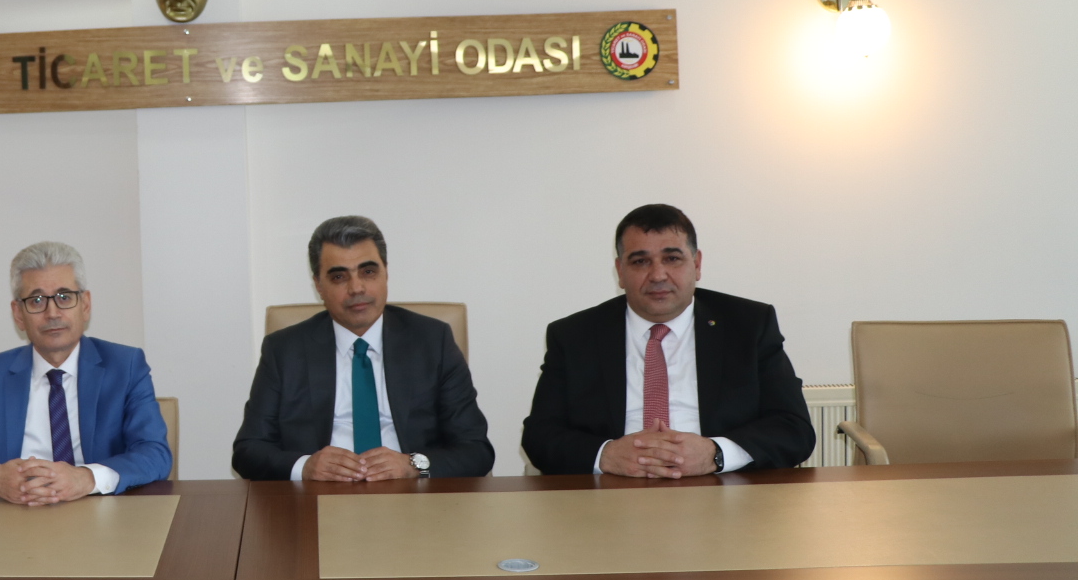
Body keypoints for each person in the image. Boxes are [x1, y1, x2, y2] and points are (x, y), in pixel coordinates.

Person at [522, 203, 815, 477]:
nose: (658, 275)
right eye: (640, 261)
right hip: (613, 490)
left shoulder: (749, 325)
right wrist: (606, 455)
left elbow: (794, 429)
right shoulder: (574, 336)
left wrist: (715, 453)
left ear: (697, 264)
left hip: (721, 488)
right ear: (620, 271)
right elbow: (540, 435)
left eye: (672, 259)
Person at [232, 216, 493, 482]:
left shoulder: (433, 341)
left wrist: (413, 465)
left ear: (385, 273)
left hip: (409, 492)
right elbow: (248, 450)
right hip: (320, 493)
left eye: (368, 272)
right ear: (319, 285)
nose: (356, 288)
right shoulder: (284, 350)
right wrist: (305, 466)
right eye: (339, 277)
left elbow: (476, 450)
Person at [0, 241, 171, 503]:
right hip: (13, 515)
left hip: (100, 512)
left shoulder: (125, 366)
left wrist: (86, 478)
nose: (52, 313)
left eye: (64, 297)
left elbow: (154, 452)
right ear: (18, 314)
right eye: (36, 301)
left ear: (85, 305)